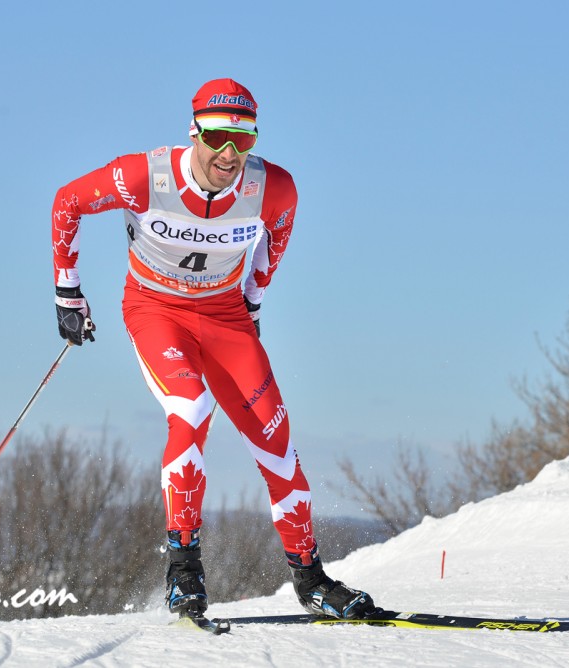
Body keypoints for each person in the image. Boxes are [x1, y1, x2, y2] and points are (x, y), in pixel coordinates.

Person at [50, 78, 375, 620]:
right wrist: (67, 292)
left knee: (276, 436)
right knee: (191, 409)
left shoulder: (272, 188)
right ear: (195, 131)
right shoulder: (143, 177)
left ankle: (311, 579)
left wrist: (253, 297)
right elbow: (68, 202)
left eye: (243, 141)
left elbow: (279, 233)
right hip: (157, 312)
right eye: (219, 137)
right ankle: (184, 570)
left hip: (224, 318)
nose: (229, 154)